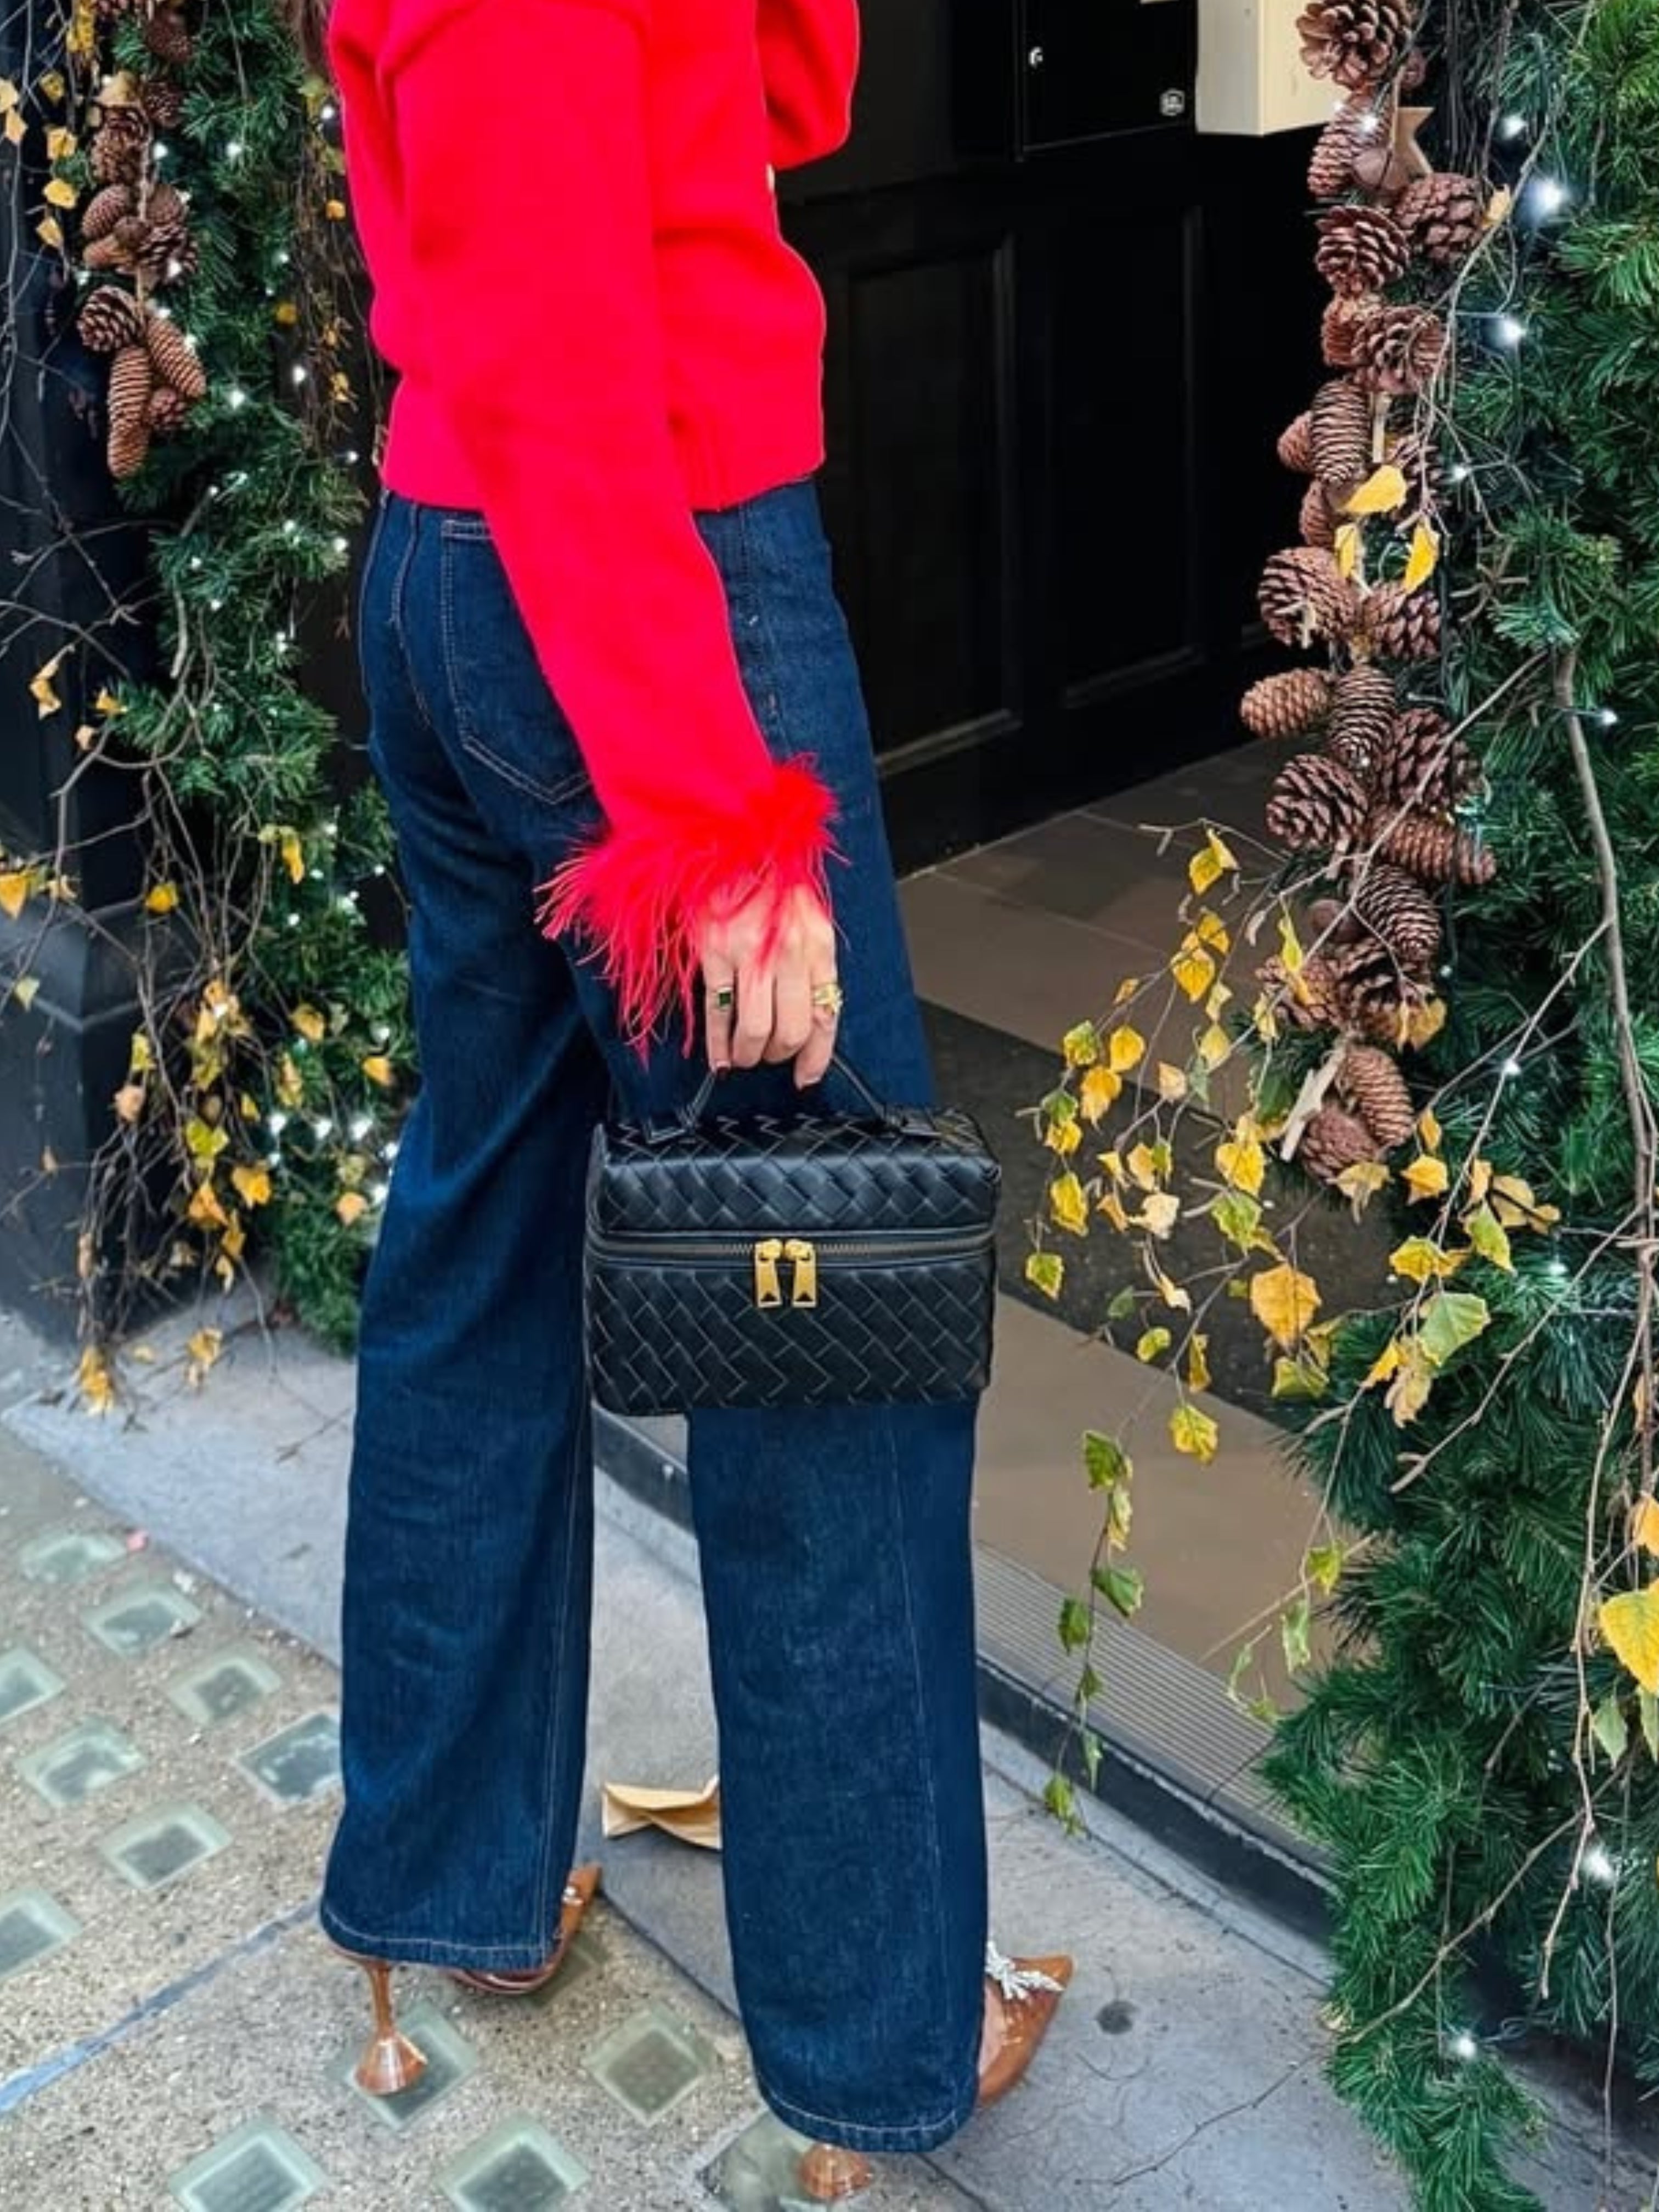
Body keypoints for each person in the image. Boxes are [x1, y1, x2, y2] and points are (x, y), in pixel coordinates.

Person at [300, 0, 1073, 2192]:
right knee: (833, 1327)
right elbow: (561, 342)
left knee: (483, 1239)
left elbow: (777, 93)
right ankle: (875, 2048)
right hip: (636, 569)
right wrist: (715, 821)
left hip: (469, 554)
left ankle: (446, 1886)